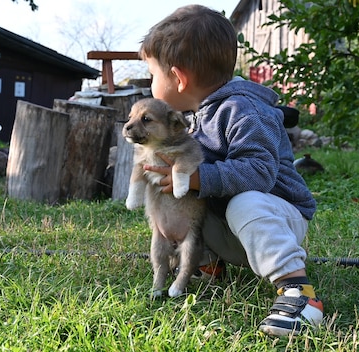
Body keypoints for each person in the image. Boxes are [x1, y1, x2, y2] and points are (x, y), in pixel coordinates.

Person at [138, 4, 324, 336]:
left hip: (276, 217)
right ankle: (207, 265)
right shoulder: (192, 117)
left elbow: (259, 172)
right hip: (233, 225)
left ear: (178, 78)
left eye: (154, 74)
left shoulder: (241, 109)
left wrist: (198, 177)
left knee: (242, 202)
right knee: (185, 200)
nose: (151, 82)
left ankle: (298, 293)